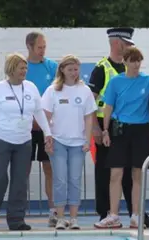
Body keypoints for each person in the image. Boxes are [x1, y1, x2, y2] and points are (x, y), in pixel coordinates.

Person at [0, 53, 53, 231]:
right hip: (2, 139)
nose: (24, 71)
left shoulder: (31, 87)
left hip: (24, 141)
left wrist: (47, 132)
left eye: (25, 68)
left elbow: (39, 111)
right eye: (21, 68)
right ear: (11, 69)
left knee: (20, 181)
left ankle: (16, 220)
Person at [88, 27, 149, 228]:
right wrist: (96, 129)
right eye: (126, 44)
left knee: (132, 173)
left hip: (131, 127)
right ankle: (106, 212)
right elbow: (90, 101)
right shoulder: (102, 68)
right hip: (107, 125)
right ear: (117, 43)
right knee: (107, 172)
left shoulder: (138, 74)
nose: (129, 48)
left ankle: (135, 213)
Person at [42, 55, 97, 230]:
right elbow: (46, 117)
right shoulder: (53, 91)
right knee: (59, 179)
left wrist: (88, 140)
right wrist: (48, 138)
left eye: (76, 69)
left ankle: (73, 218)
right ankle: (60, 217)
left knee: (74, 179)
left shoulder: (85, 90)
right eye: (70, 69)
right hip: (58, 140)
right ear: (63, 70)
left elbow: (89, 118)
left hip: (78, 142)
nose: (74, 73)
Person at [24, 32, 57, 226]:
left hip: (46, 127)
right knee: (24, 169)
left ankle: (53, 211)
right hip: (26, 127)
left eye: (44, 47)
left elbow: (56, 94)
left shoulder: (51, 67)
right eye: (39, 47)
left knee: (49, 168)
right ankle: (19, 210)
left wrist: (45, 121)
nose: (43, 51)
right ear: (29, 46)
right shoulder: (22, 67)